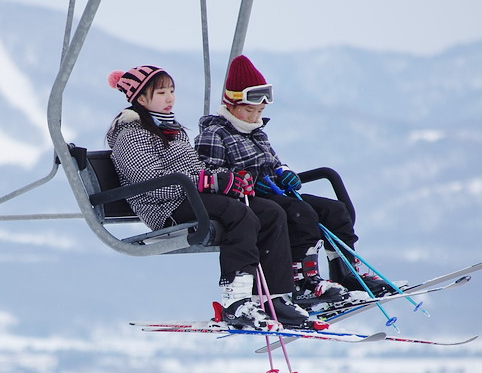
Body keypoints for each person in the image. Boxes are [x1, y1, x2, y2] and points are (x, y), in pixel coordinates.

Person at [105, 64, 320, 330]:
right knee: (239, 214)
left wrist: (228, 177)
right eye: (161, 93)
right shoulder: (132, 133)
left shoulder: (172, 130)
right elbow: (149, 182)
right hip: (165, 207)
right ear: (139, 98)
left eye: (172, 90)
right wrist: (208, 182)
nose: (170, 97)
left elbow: (196, 170)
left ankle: (273, 297)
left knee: (270, 212)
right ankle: (236, 301)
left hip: (189, 198)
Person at [194, 55, 394, 308]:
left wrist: (284, 173)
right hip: (246, 197)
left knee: (334, 210)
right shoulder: (214, 133)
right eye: (248, 110)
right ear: (231, 105)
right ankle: (303, 282)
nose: (254, 116)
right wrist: (251, 184)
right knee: (301, 214)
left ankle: (347, 272)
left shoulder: (257, 133)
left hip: (273, 193)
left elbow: (275, 162)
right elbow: (211, 173)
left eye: (259, 111)